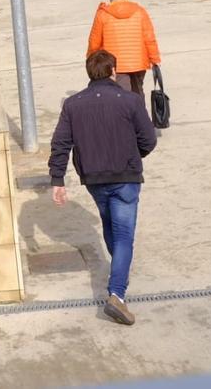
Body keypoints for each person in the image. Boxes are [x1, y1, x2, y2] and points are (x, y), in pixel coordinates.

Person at [48, 50, 156, 325]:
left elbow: (60, 144)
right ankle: (117, 294)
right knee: (123, 236)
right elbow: (149, 139)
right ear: (113, 72)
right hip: (126, 179)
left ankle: (119, 274)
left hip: (95, 179)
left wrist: (57, 180)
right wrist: (133, 156)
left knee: (110, 226)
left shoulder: (73, 104)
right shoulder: (130, 100)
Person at [86, 0, 161, 97]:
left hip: (116, 65)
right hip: (138, 62)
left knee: (121, 95)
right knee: (137, 92)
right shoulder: (139, 11)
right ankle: (139, 113)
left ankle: (126, 114)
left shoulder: (103, 14)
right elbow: (149, 38)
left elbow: (94, 41)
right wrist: (155, 59)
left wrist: (91, 59)